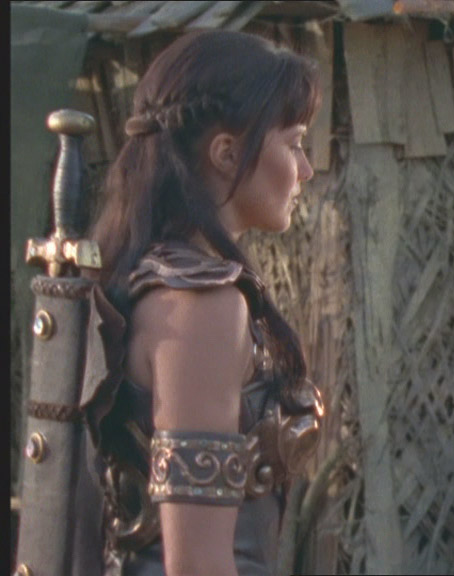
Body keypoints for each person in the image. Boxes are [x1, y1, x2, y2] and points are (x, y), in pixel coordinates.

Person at [81, 29, 325, 576]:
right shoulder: (201, 307)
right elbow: (196, 565)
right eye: (294, 144)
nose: (306, 170)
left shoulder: (138, 278)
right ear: (227, 153)